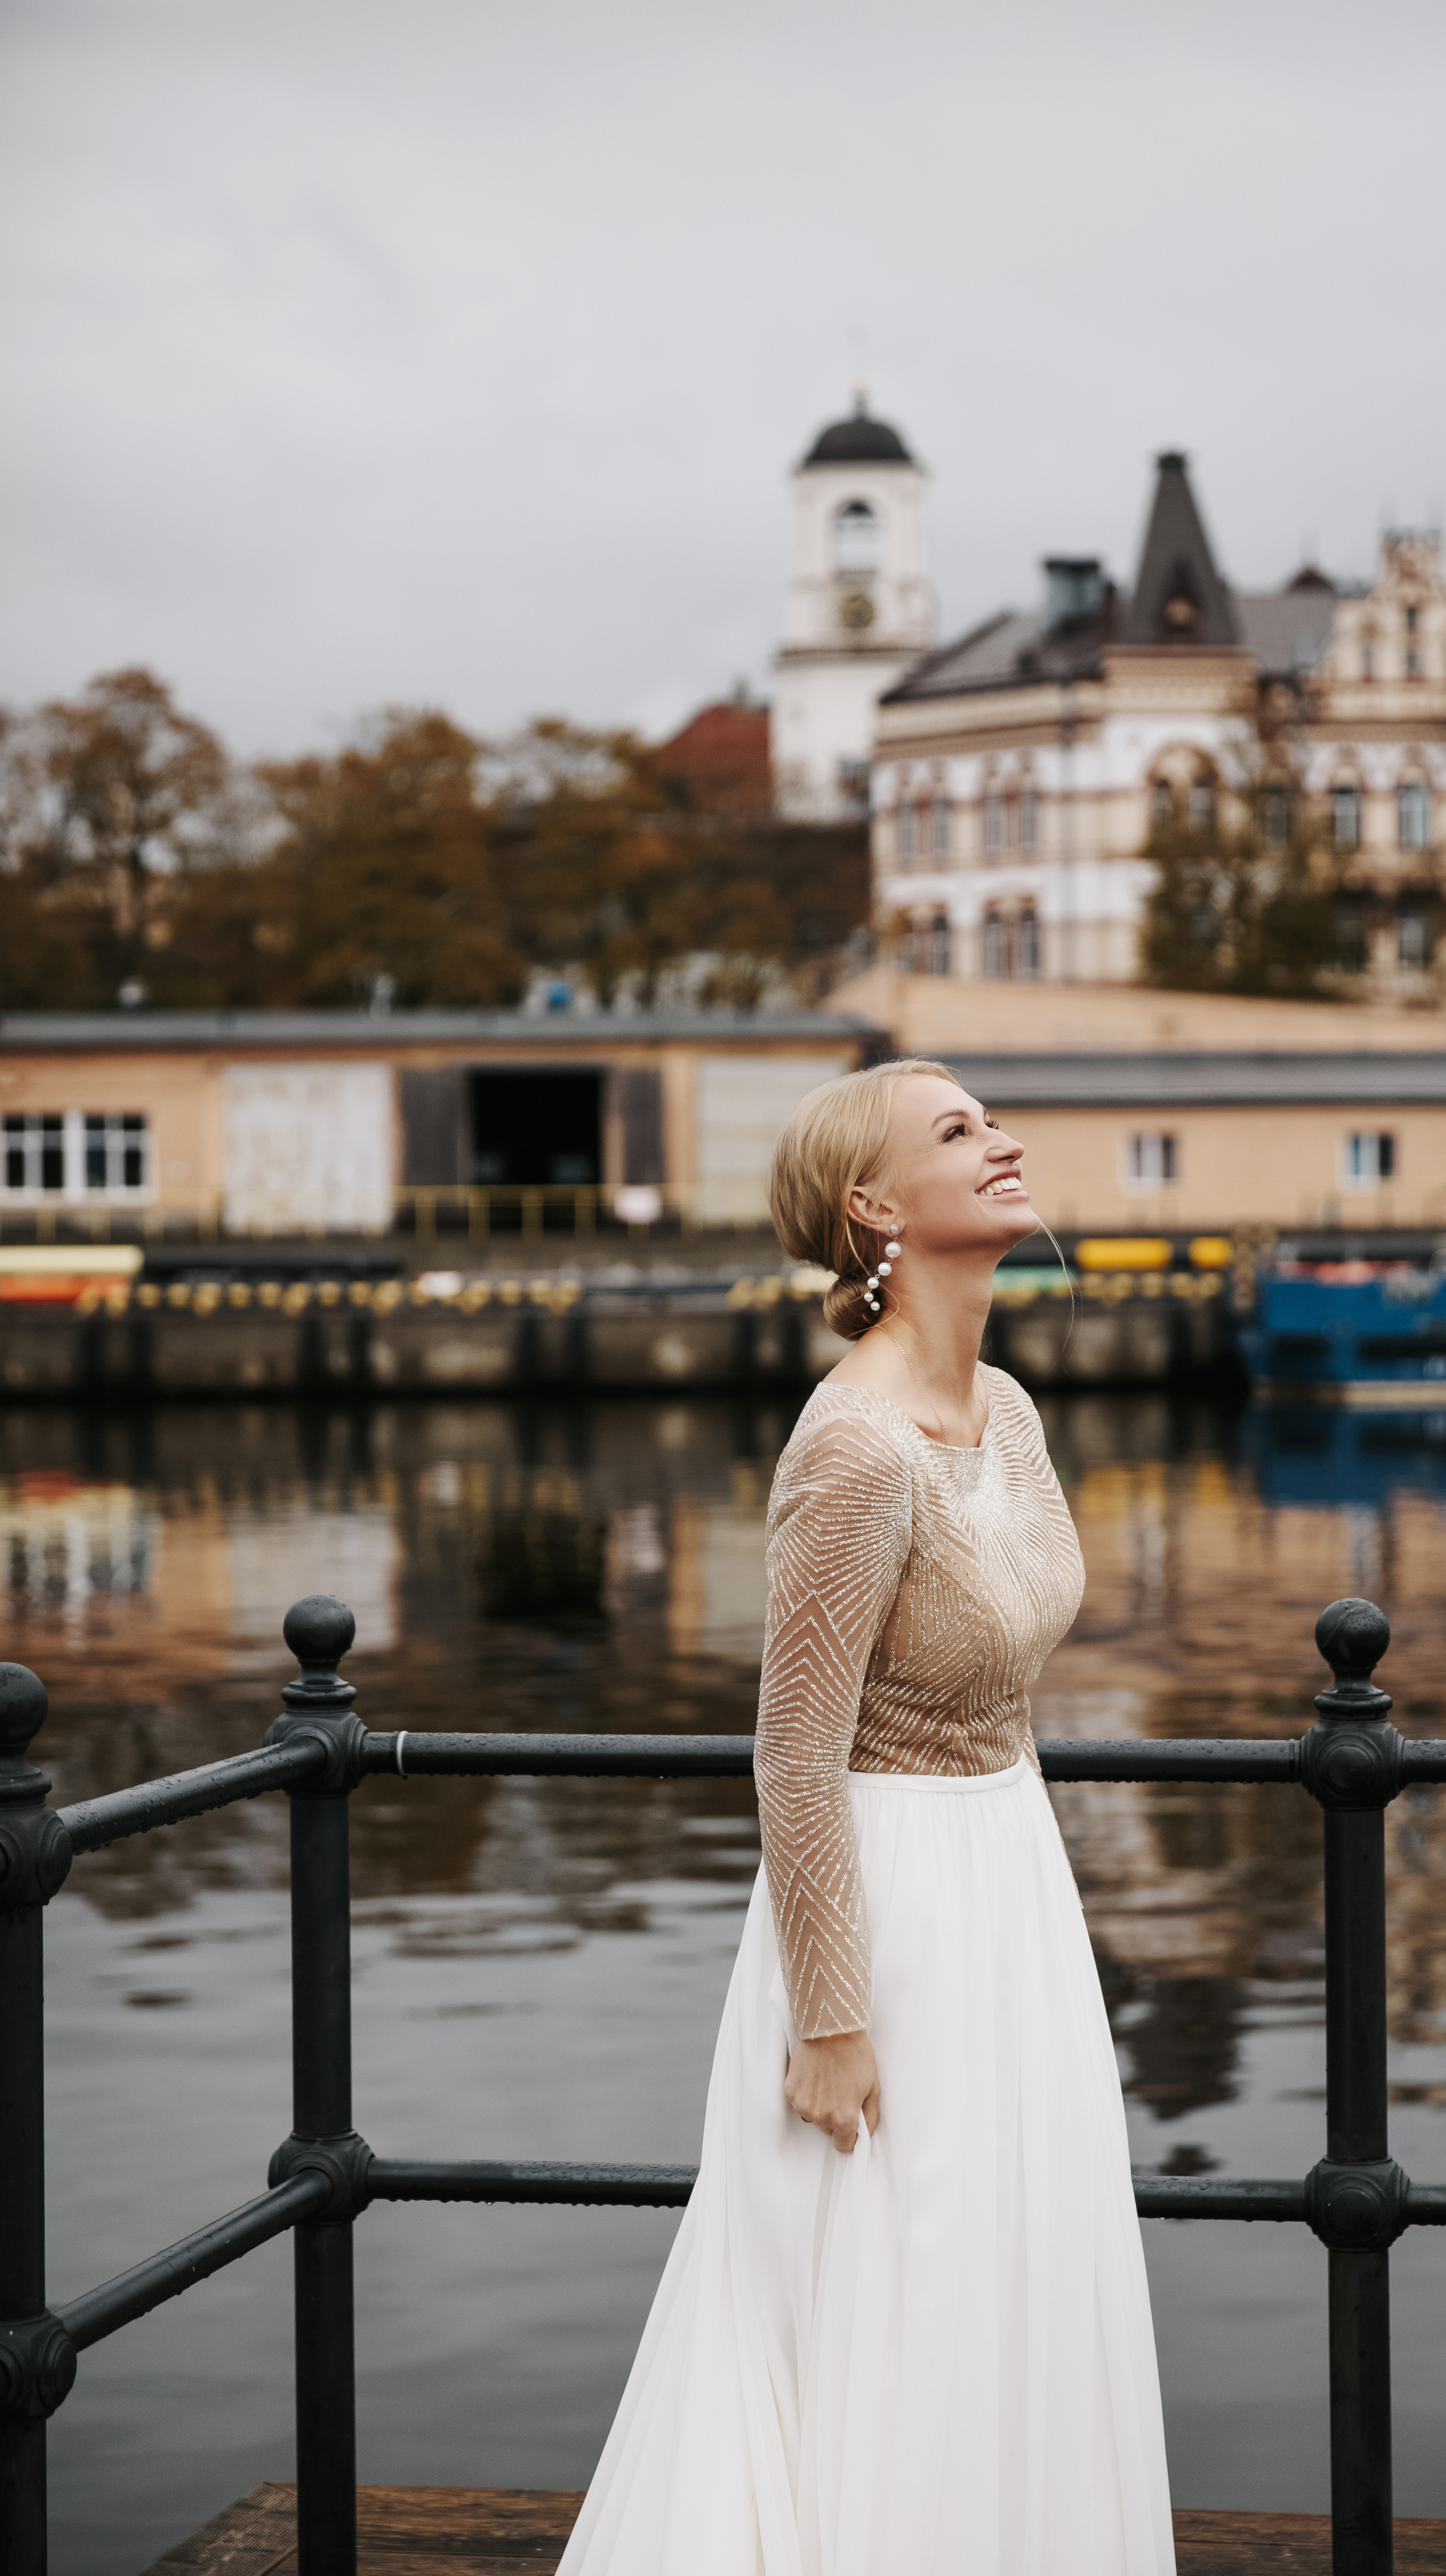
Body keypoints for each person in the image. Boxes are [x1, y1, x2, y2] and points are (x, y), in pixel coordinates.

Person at [560, 1057, 1176, 2575]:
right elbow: (790, 1751)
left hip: (1013, 1885)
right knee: (904, 2280)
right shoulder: (850, 1448)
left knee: (1015, 2276)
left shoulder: (1012, 1412)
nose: (1003, 1140)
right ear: (872, 1205)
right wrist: (829, 2015)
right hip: (885, 1906)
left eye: (994, 1118)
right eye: (958, 1132)